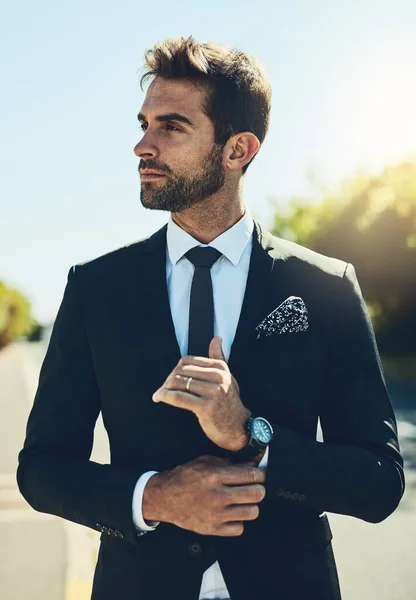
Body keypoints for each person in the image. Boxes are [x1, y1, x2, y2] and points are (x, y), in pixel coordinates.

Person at [17, 36, 405, 600]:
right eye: (144, 123)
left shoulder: (324, 287)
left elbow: (379, 483)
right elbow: (43, 468)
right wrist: (154, 497)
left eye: (171, 127)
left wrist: (252, 433)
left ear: (237, 149)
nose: (142, 146)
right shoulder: (96, 289)